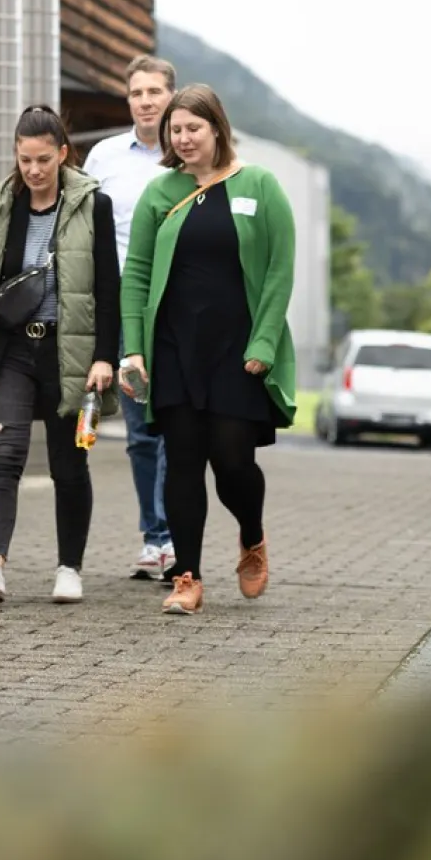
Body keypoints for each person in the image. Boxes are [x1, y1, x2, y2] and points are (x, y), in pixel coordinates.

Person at [119, 84, 297, 616]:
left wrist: (264, 340)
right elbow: (138, 273)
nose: (183, 137)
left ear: (217, 128)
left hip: (238, 348)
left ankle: (252, 534)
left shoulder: (260, 186)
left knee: (234, 462)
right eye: (176, 129)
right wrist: (134, 348)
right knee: (182, 463)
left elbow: (279, 272)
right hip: (174, 346)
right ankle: (187, 577)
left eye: (193, 127)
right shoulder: (161, 192)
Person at [0, 107, 120, 605]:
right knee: (2, 456)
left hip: (69, 350)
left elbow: (107, 286)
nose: (34, 170)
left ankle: (69, 567)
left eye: (43, 159)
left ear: (63, 154)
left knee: (69, 465)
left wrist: (105, 356)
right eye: (24, 159)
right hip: (11, 349)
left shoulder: (94, 205)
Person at [84, 56, 177, 580]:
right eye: (137, 92)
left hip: (175, 304)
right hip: (121, 306)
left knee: (175, 424)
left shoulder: (187, 152)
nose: (146, 100)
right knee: (141, 430)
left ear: (171, 96)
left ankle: (174, 532)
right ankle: (154, 537)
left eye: (155, 91)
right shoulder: (105, 156)